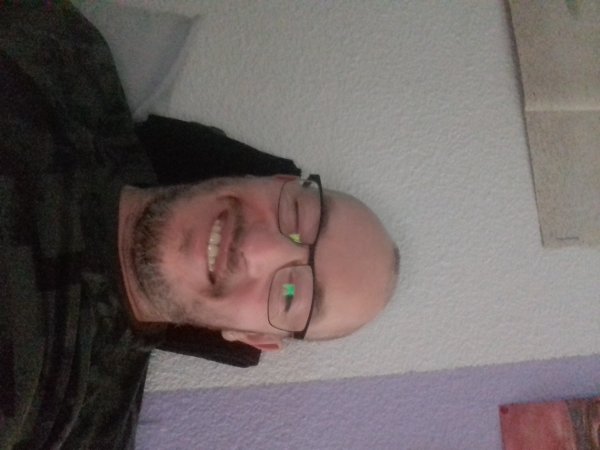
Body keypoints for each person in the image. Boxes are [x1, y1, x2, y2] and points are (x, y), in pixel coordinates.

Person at [0, 2, 398, 448]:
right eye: (302, 216)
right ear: (278, 181)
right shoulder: (70, 60)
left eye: (291, 294)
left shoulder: (80, 432)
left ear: (254, 337)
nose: (257, 248)